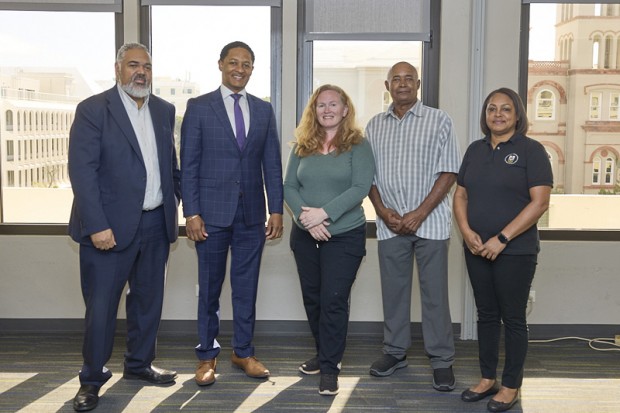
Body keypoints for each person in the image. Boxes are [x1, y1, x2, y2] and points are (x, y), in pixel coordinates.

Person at [68, 42, 180, 412]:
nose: (141, 72)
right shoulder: (93, 109)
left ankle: (139, 364)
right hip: (108, 230)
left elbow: (169, 166)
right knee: (101, 308)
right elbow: (82, 172)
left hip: (155, 223)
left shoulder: (163, 110)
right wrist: (96, 225)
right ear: (117, 69)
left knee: (148, 302)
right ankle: (91, 379)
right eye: (133, 65)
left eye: (146, 66)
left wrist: (176, 203)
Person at [181, 41, 284, 387]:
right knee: (209, 290)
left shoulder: (263, 110)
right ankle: (206, 356)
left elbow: (272, 163)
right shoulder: (199, 107)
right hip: (210, 216)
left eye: (246, 64)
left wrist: (276, 208)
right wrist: (191, 212)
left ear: (252, 69)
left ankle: (243, 352)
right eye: (233, 62)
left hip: (251, 216)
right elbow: (188, 164)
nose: (240, 69)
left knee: (246, 288)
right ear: (221, 64)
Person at [454, 88, 552, 412]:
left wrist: (503, 238)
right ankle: (487, 379)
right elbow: (461, 195)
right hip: (476, 248)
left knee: (512, 318)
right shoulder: (475, 150)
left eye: (506, 109)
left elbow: (540, 202)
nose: (498, 114)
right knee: (485, 315)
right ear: (485, 115)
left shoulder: (532, 151)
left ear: (517, 115)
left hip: (515, 251)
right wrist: (466, 231)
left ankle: (510, 386)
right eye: (492, 109)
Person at [365, 62, 460, 391]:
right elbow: (367, 176)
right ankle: (395, 352)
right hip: (390, 225)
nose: (402, 84)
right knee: (394, 293)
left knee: (435, 296)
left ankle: (442, 360)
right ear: (387, 86)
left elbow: (449, 171)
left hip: (430, 224)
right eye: (396, 79)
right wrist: (382, 211)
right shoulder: (374, 126)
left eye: (409, 79)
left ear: (418, 84)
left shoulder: (439, 120)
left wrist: (419, 213)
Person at [284, 85, 375, 396]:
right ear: (314, 110)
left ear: (345, 109)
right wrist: (306, 221)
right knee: (313, 298)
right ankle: (325, 353)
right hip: (305, 235)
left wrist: (324, 214)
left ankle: (330, 367)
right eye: (321, 105)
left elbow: (360, 187)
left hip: (345, 235)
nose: (327, 110)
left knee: (333, 299)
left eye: (333, 104)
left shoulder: (358, 145)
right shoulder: (302, 145)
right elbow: (289, 187)